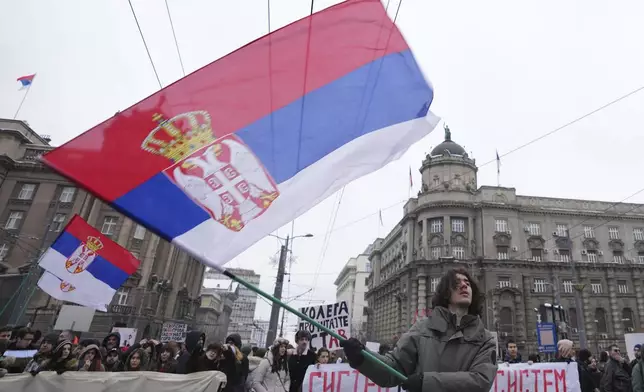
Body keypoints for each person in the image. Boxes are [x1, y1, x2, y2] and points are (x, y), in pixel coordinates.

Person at [340, 267, 497, 392]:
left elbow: (481, 381)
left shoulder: (485, 338)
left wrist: (426, 382)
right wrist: (362, 357)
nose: (464, 285)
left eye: (467, 283)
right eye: (456, 283)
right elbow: (394, 368)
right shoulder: (423, 328)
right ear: (445, 293)